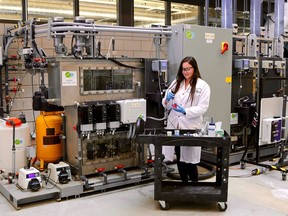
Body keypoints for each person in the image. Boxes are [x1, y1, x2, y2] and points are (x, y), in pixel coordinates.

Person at [162, 56, 211, 183]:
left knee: (190, 160)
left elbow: (203, 108)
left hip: (190, 125)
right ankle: (184, 183)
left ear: (194, 68)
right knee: (179, 156)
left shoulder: (203, 86)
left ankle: (194, 185)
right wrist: (167, 99)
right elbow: (166, 105)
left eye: (188, 69)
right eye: (183, 69)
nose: (185, 72)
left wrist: (185, 111)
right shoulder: (176, 82)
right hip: (175, 125)